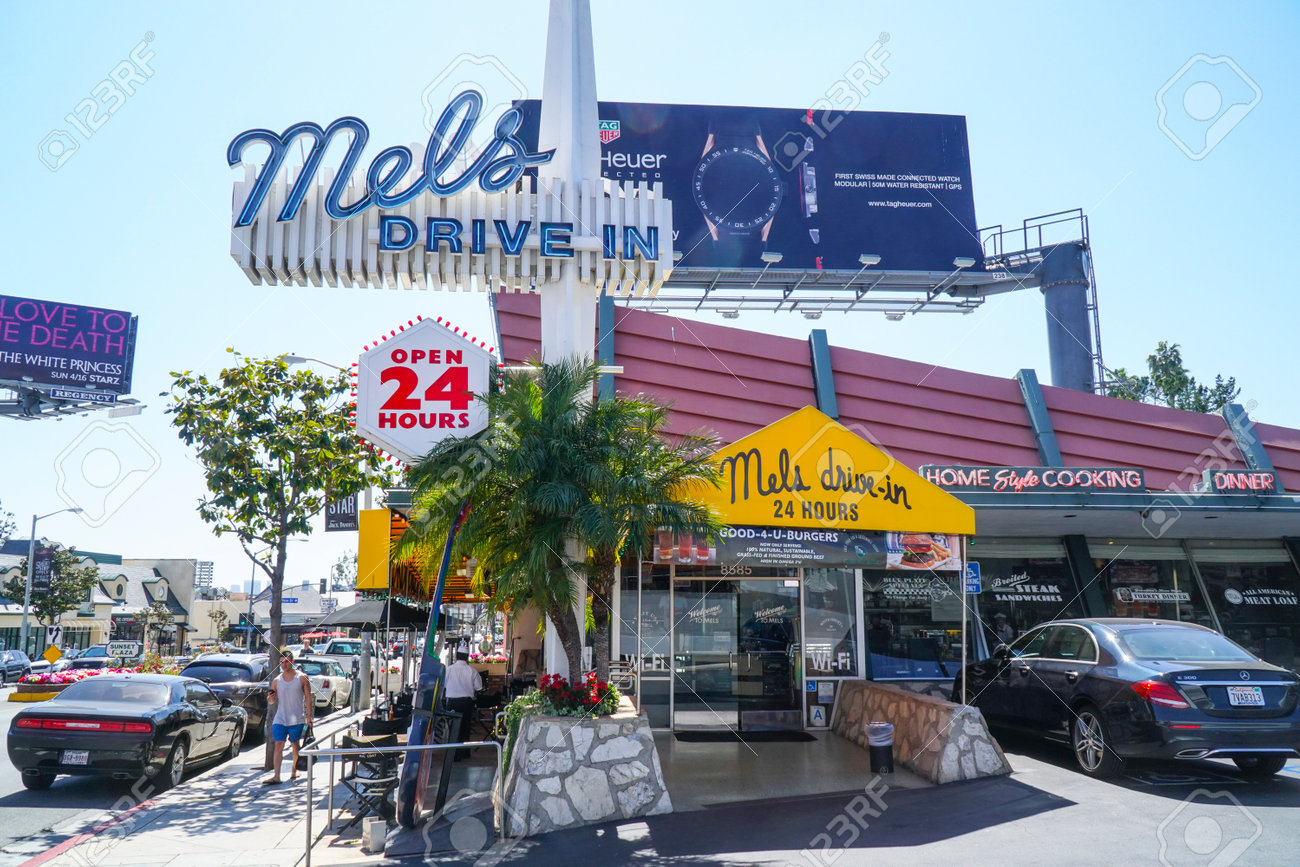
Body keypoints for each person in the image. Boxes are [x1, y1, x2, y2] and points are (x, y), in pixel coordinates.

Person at [264, 651, 313, 785]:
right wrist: (270, 698)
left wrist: (309, 717)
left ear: (292, 661)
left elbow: (308, 698)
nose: (283, 665)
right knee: (278, 744)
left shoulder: (302, 678)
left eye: (286, 662)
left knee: (295, 745)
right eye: (281, 663)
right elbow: (271, 701)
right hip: (280, 718)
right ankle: (276, 775)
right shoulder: (277, 680)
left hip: (296, 718)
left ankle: (294, 770)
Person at [444, 651, 482, 760]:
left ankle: (454, 754)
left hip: (452, 703)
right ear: (467, 658)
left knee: (452, 728)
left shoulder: (449, 670)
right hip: (466, 703)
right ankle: (464, 752)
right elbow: (479, 687)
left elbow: (444, 685)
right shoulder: (472, 670)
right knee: (465, 727)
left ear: (456, 657)